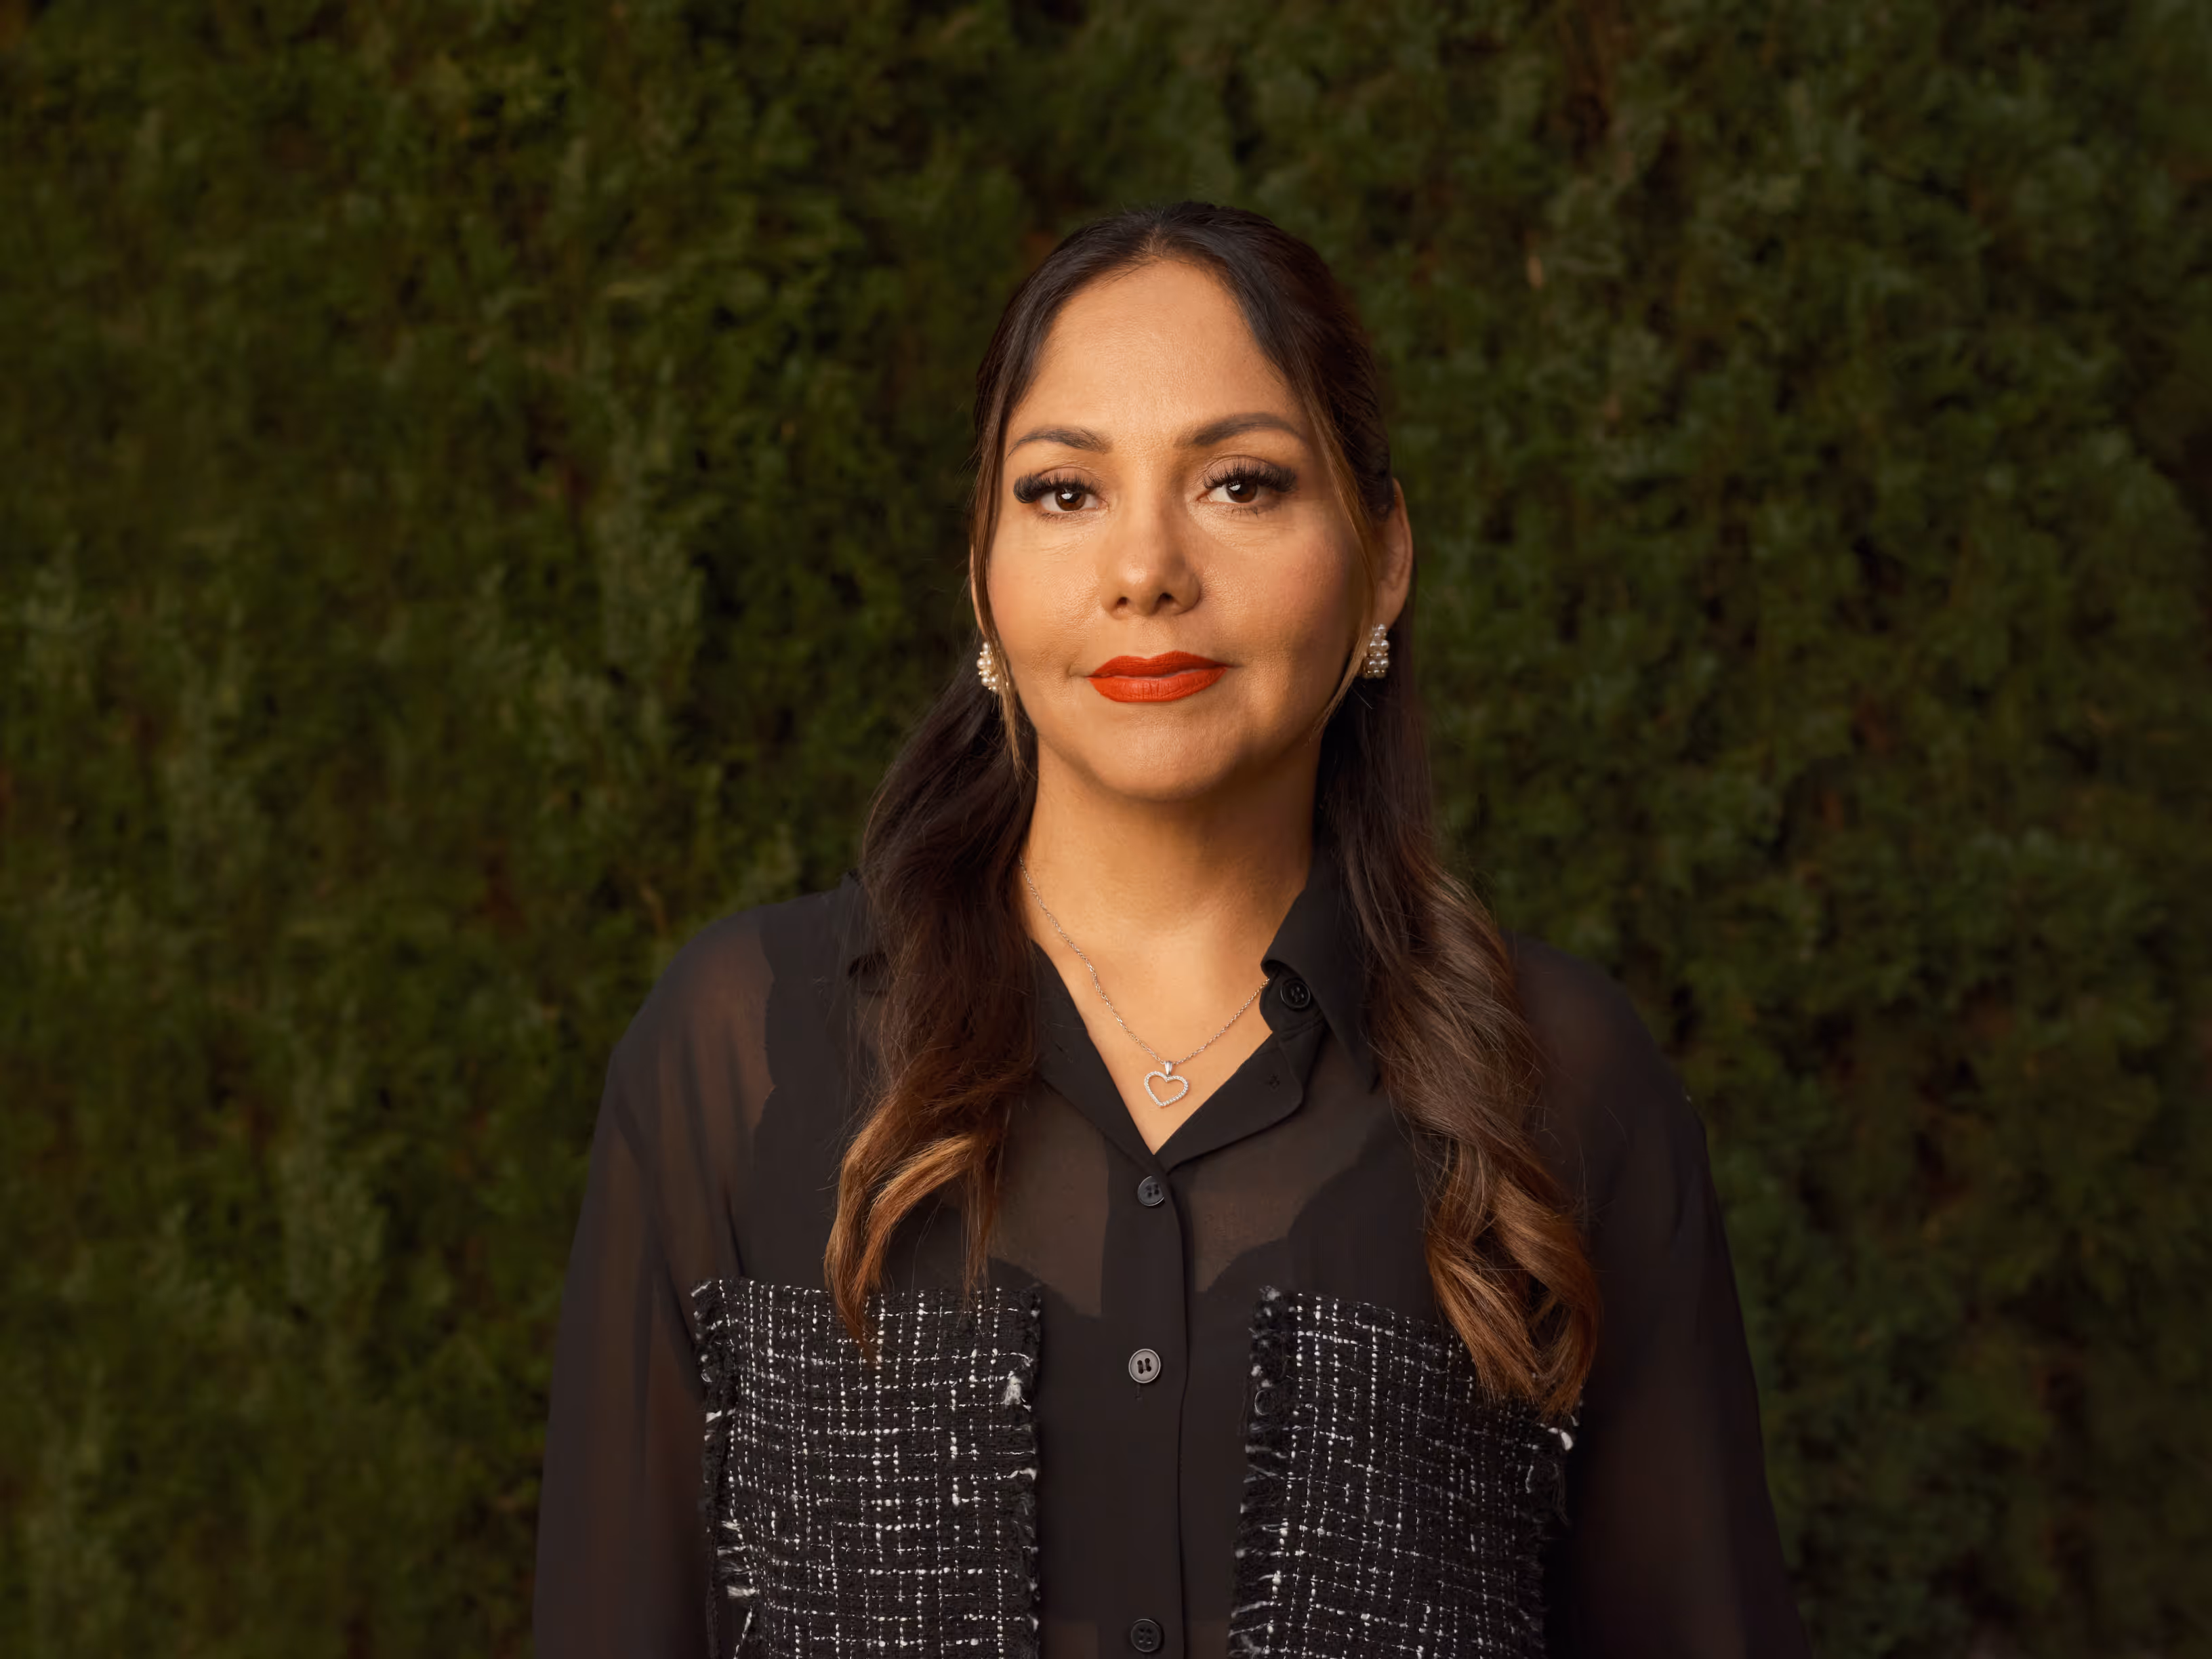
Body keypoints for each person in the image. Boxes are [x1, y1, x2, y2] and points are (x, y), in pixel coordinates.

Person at [532, 201, 1811, 1659]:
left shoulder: (1565, 1090)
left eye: (1243, 484)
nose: (1145, 569)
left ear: (1383, 562)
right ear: (980, 575)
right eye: (1064, 492)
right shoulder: (740, 1055)